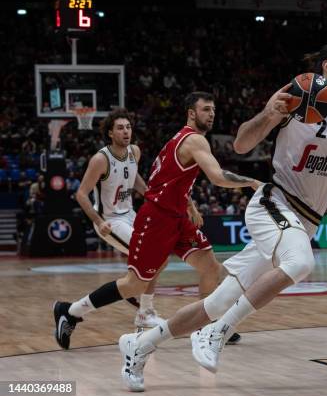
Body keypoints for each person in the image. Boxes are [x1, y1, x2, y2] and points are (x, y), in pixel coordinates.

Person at [117, 41, 327, 391]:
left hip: (305, 220)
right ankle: (217, 333)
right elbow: (241, 144)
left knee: (218, 301)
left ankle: (139, 346)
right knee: (300, 263)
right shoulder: (296, 94)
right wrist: (269, 115)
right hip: (275, 201)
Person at [53, 93, 259, 356]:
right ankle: (71, 312)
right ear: (191, 113)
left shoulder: (170, 142)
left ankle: (205, 327)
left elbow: (161, 180)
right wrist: (252, 182)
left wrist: (188, 204)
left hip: (174, 217)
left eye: (213, 110)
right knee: (134, 284)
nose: (212, 114)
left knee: (210, 266)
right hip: (155, 218)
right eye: (206, 109)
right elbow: (217, 177)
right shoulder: (193, 140)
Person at [66, 108, 166, 329]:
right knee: (150, 255)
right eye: (120, 128)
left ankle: (134, 294)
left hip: (130, 214)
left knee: (158, 253)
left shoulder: (135, 152)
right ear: (110, 133)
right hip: (110, 220)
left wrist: (153, 196)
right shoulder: (100, 160)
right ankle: (144, 311)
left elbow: (134, 177)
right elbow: (81, 194)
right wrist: (99, 221)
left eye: (128, 127)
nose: (126, 131)